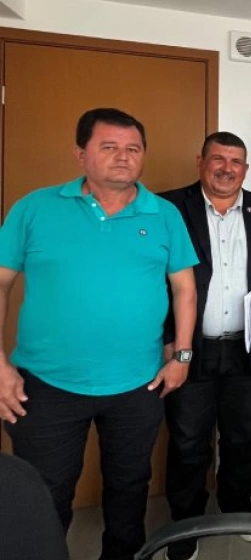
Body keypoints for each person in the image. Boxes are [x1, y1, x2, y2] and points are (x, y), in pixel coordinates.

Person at [0, 108, 198, 560]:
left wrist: (182, 357)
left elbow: (185, 289)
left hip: (139, 384)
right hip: (44, 386)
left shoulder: (164, 214)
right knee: (44, 496)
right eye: (109, 147)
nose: (123, 157)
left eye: (133, 148)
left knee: (130, 489)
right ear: (80, 154)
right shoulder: (34, 208)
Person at [159, 131, 251, 559]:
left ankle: (236, 503)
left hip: (247, 347)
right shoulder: (171, 207)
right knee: (188, 440)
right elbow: (153, 276)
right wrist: (169, 340)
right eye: (218, 159)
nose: (227, 169)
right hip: (190, 348)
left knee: (241, 435)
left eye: (235, 162)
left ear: (246, 169)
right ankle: (186, 521)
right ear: (201, 161)